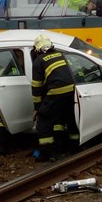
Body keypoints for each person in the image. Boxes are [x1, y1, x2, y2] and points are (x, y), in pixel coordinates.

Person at [31, 34, 78, 162]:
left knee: (44, 122)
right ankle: (72, 147)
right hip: (70, 91)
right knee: (66, 119)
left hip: (56, 92)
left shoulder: (39, 61)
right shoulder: (59, 54)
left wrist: (37, 108)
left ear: (37, 49)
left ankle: (47, 154)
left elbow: (36, 86)